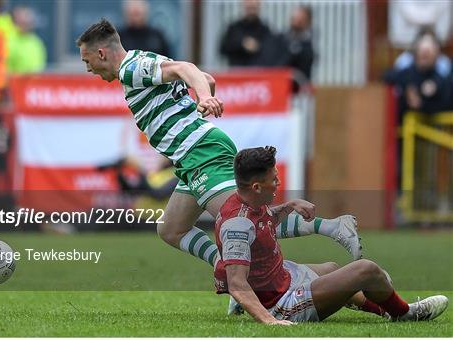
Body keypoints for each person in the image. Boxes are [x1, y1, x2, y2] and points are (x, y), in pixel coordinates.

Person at [76, 19, 363, 310]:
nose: (88, 69)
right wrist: (204, 90)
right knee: (171, 228)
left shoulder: (130, 68)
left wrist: (205, 97)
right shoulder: (143, 59)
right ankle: (227, 267)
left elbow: (187, 69)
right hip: (191, 158)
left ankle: (331, 228)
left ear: (101, 54)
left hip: (202, 152)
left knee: (245, 224)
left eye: (87, 61)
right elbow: (203, 75)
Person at [214, 146, 448, 324]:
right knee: (366, 270)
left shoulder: (249, 200)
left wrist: (290, 205)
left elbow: (263, 222)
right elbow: (236, 283)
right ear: (256, 186)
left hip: (284, 277)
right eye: (273, 179)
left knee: (333, 269)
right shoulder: (238, 225)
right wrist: (270, 321)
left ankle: (384, 309)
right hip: (281, 303)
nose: (278, 182)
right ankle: (405, 313)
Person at [220, 0, 273, 67]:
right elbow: (223, 49)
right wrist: (242, 44)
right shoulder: (234, 28)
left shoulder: (265, 30)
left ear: (259, 7)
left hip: (259, 72)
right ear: (244, 6)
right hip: (236, 72)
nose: (251, 10)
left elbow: (270, 52)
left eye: (253, 7)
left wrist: (257, 47)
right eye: (249, 7)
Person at [7, 6, 46, 74]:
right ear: (15, 22)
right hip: (14, 82)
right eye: (22, 20)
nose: (26, 22)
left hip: (34, 82)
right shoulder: (7, 40)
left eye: (28, 20)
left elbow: (40, 67)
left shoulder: (36, 42)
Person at [281, 5, 315, 81]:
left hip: (299, 87)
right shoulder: (282, 38)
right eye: (293, 19)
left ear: (307, 22)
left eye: (300, 20)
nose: (295, 22)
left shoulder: (307, 44)